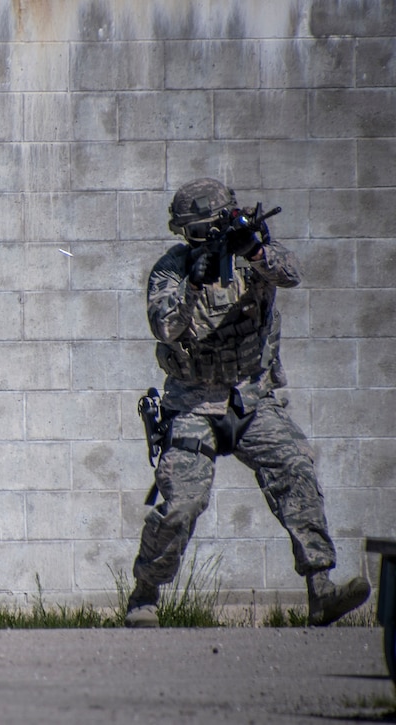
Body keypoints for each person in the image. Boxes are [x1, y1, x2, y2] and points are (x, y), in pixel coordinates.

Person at [124, 178, 371, 629]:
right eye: (199, 232)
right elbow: (165, 328)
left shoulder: (256, 256)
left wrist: (254, 252)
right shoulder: (173, 270)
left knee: (295, 467)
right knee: (181, 504)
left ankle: (322, 588)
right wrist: (195, 282)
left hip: (251, 399)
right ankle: (144, 595)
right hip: (193, 405)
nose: (208, 238)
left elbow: (291, 274)